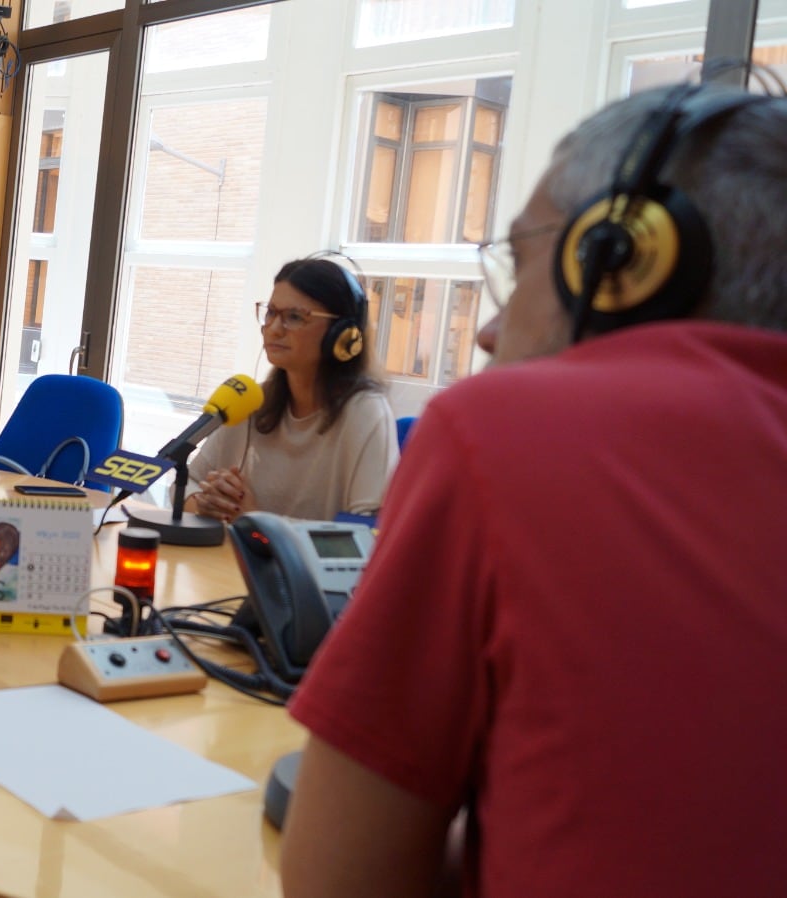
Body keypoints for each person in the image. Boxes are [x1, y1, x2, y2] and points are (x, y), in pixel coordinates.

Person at [282, 83, 787, 898]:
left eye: (521, 265)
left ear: (623, 261)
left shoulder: (502, 429)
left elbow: (340, 880)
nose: (488, 328)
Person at [184, 256, 399, 522]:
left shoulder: (366, 412)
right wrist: (205, 504)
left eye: (294, 317)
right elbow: (186, 482)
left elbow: (366, 537)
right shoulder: (251, 400)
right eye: (271, 312)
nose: (273, 329)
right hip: (233, 562)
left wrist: (255, 520)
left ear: (343, 335)